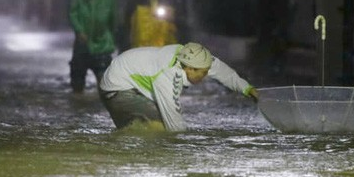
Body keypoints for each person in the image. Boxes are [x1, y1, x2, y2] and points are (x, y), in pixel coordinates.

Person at [98, 42, 258, 131]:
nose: (204, 77)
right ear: (188, 68)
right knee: (159, 127)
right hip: (116, 90)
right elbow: (174, 121)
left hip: (132, 82)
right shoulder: (167, 76)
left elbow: (223, 72)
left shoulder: (195, 56)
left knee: (139, 129)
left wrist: (247, 89)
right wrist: (185, 147)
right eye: (202, 74)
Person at [68, 0, 117, 94]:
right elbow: (72, 13)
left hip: (102, 44)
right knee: (77, 84)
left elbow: (113, 16)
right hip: (82, 45)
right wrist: (79, 31)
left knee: (106, 85)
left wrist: (112, 36)